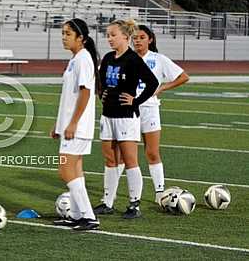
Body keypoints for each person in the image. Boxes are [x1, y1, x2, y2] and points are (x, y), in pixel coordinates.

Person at [93, 19, 159, 219]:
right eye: (108, 35)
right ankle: (107, 202)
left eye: (113, 35)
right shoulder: (107, 58)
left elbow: (152, 82)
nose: (109, 39)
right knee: (110, 159)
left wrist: (136, 100)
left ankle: (134, 204)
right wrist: (101, 94)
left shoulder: (132, 59)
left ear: (125, 37)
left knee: (130, 160)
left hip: (126, 117)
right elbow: (100, 81)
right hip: (108, 114)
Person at [123, 25, 189, 203]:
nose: (137, 40)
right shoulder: (125, 58)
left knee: (152, 152)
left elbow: (183, 76)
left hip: (150, 110)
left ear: (150, 39)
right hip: (128, 111)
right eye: (135, 38)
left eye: (142, 37)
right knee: (128, 155)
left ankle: (159, 192)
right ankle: (129, 196)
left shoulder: (159, 59)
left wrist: (163, 87)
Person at [51, 18, 99, 230]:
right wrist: (58, 124)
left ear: (81, 38)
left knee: (65, 170)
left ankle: (88, 216)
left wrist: (73, 124)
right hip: (70, 126)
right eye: (63, 33)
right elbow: (67, 98)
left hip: (77, 127)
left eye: (68, 34)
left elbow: (86, 93)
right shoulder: (75, 59)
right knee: (75, 169)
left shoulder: (83, 59)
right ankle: (80, 215)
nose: (64, 37)